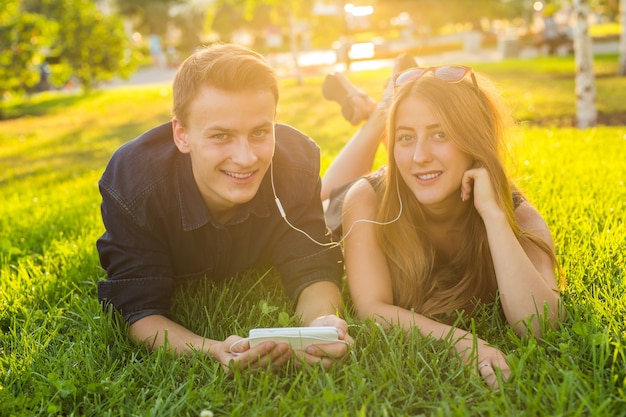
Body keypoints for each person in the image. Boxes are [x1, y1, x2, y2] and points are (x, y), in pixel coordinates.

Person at [96, 43, 352, 372]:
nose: (246, 158)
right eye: (221, 136)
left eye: (260, 132)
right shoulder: (133, 183)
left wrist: (318, 326)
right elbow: (136, 308)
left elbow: (313, 266)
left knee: (349, 199)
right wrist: (212, 350)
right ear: (182, 134)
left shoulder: (296, 163)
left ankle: (372, 114)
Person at [320, 59, 563, 389]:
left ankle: (378, 107)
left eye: (440, 133)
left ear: (474, 140)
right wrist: (463, 343)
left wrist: (493, 216)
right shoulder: (367, 199)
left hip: (415, 185)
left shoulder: (518, 216)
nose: (420, 155)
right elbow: (373, 309)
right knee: (322, 195)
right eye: (405, 138)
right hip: (347, 203)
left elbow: (540, 326)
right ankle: (378, 113)